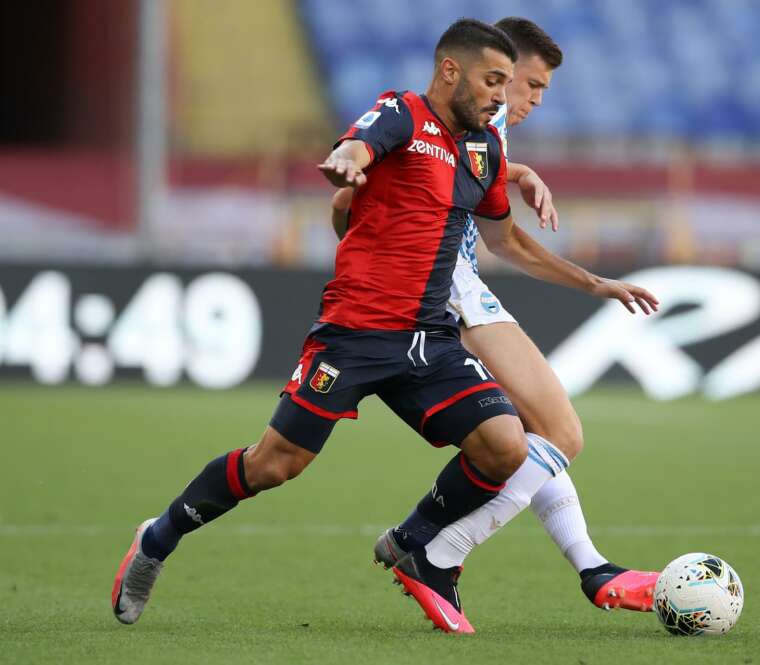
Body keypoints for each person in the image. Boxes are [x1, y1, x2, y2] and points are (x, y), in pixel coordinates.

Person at [112, 18, 531, 629]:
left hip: (429, 339)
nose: (501, 95)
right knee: (274, 466)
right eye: (492, 81)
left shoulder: (482, 148)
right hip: (354, 334)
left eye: (506, 85)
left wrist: (537, 194)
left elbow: (504, 233)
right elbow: (356, 147)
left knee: (504, 446)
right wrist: (346, 164)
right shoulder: (401, 113)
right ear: (450, 70)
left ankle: (411, 541)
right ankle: (156, 538)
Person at [332, 18, 661, 633]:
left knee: (537, 435)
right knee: (558, 431)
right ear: (497, 73)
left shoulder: (485, 138)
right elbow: (356, 194)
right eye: (528, 84)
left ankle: (589, 567)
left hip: (460, 286)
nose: (533, 99)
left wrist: (516, 174)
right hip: (446, 291)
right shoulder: (432, 122)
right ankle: (433, 547)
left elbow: (495, 220)